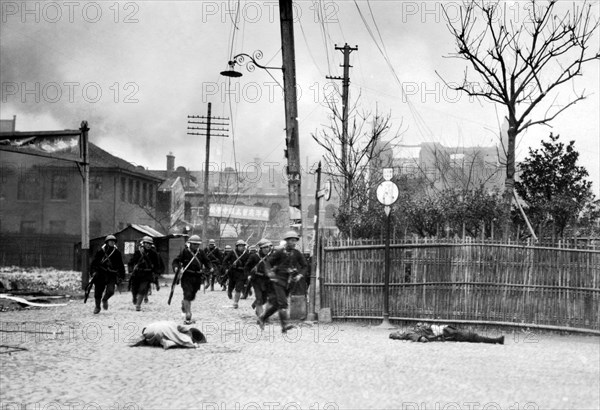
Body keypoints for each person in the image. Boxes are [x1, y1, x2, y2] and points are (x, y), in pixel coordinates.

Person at [258, 230, 307, 333]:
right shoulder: (279, 252)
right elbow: (268, 263)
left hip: (290, 282)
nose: (294, 243)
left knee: (276, 305)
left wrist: (300, 275)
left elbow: (305, 266)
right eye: (292, 240)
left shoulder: (297, 253)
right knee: (283, 304)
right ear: (287, 241)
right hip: (278, 281)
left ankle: (262, 317)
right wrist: (271, 275)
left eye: (295, 241)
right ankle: (284, 325)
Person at [172, 235, 213, 324]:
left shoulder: (201, 252)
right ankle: (188, 314)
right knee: (187, 293)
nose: (196, 246)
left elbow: (207, 261)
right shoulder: (184, 252)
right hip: (187, 276)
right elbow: (176, 261)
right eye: (194, 244)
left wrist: (210, 267)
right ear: (190, 244)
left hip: (197, 277)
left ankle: (184, 305)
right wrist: (176, 268)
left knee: (192, 296)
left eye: (197, 244)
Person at [89, 235, 125, 314]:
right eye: (110, 241)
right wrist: (93, 272)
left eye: (113, 241)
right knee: (98, 292)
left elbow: (120, 265)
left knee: (111, 291)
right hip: (100, 274)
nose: (112, 243)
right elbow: (94, 263)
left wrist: (122, 276)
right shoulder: (101, 251)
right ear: (107, 242)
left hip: (111, 275)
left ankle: (105, 299)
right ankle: (97, 307)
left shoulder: (117, 252)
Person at [128, 236, 162, 312]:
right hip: (137, 273)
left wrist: (156, 273)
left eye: (150, 244)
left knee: (142, 289)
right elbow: (131, 262)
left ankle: (138, 305)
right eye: (147, 243)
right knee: (134, 289)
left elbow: (157, 265)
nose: (148, 245)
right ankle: (134, 297)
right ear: (143, 244)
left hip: (147, 274)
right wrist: (131, 270)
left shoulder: (154, 254)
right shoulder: (138, 252)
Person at [389, 323, 505, 344]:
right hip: (445, 333)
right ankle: (496, 340)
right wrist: (422, 338)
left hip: (446, 330)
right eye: (398, 332)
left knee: (471, 336)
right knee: (472, 336)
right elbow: (419, 338)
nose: (400, 330)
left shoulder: (414, 329)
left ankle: (496, 340)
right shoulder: (409, 333)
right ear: (399, 336)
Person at [244, 239, 273, 319]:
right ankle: (261, 317)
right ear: (260, 248)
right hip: (256, 279)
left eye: (268, 247)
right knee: (259, 297)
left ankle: (255, 305)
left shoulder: (271, 256)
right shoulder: (254, 256)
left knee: (265, 298)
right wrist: (248, 275)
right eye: (264, 247)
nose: (267, 249)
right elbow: (247, 267)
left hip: (267, 280)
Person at [130, 321, 207, 349]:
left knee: (165, 335)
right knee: (175, 342)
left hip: (150, 327)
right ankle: (161, 341)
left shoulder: (173, 324)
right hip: (159, 332)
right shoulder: (185, 336)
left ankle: (146, 337)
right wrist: (195, 345)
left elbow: (180, 328)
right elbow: (187, 343)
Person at [223, 239, 249, 308]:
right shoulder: (232, 252)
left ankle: (235, 302)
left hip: (241, 273)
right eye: (239, 246)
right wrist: (226, 268)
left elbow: (249, 263)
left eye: (242, 246)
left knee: (238, 288)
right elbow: (225, 261)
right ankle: (229, 291)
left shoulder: (246, 254)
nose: (241, 247)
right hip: (233, 272)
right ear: (237, 246)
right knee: (231, 285)